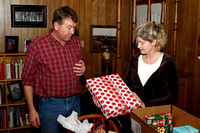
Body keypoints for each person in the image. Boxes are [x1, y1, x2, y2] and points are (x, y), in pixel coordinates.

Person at [21, 6, 85, 133]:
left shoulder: (76, 42)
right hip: (50, 105)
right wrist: (31, 109)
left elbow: (79, 65)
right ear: (56, 25)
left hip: (75, 102)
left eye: (74, 27)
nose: (73, 31)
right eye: (69, 27)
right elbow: (27, 79)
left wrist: (83, 68)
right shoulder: (37, 46)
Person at [119, 21, 179, 132]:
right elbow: (125, 86)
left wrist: (145, 104)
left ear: (154, 42)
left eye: (142, 43)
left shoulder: (168, 63)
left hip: (156, 119)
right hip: (133, 116)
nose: (138, 46)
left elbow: (172, 97)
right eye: (137, 42)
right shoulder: (135, 59)